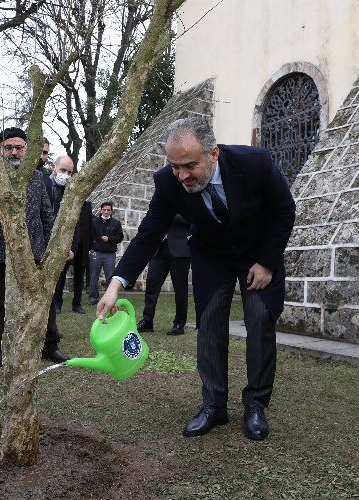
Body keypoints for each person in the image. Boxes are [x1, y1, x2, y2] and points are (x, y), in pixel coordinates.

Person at [96, 117, 295, 440]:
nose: (182, 176)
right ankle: (214, 406)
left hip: (258, 254)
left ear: (213, 153)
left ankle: (256, 404)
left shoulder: (254, 162)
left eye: (190, 166)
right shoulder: (168, 182)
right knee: (209, 325)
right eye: (175, 167)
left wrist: (267, 262)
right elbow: (148, 234)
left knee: (259, 321)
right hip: (211, 256)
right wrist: (116, 285)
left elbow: (284, 210)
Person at [0, 127, 69, 367]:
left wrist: (48, 249)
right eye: (8, 147)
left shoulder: (36, 177)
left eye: (19, 147)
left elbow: (46, 213)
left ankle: (49, 345)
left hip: (33, 251)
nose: (14, 152)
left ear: (26, 149)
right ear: (0, 149)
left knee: (42, 299)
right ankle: (2, 349)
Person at [43, 152, 92, 315]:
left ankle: (73, 304)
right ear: (54, 167)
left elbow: (75, 224)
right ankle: (55, 304)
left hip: (71, 246)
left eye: (70, 173)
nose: (66, 175)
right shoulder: (42, 184)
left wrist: (71, 246)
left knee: (78, 276)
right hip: (43, 242)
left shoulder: (72, 194)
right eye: (63, 170)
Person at [136, 214, 191, 335]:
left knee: (180, 289)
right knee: (151, 285)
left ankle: (179, 324)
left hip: (180, 249)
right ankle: (147, 321)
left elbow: (190, 218)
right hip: (159, 249)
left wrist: (169, 213)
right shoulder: (162, 201)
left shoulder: (185, 199)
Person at [88, 202, 123, 305]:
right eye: (104, 210)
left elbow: (120, 237)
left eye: (108, 210)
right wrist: (92, 248)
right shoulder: (94, 222)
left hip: (110, 254)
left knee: (110, 277)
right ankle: (93, 298)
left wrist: (109, 239)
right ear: (101, 210)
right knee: (93, 276)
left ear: (111, 211)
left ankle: (109, 298)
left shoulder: (116, 223)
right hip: (96, 252)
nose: (106, 212)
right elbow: (90, 236)